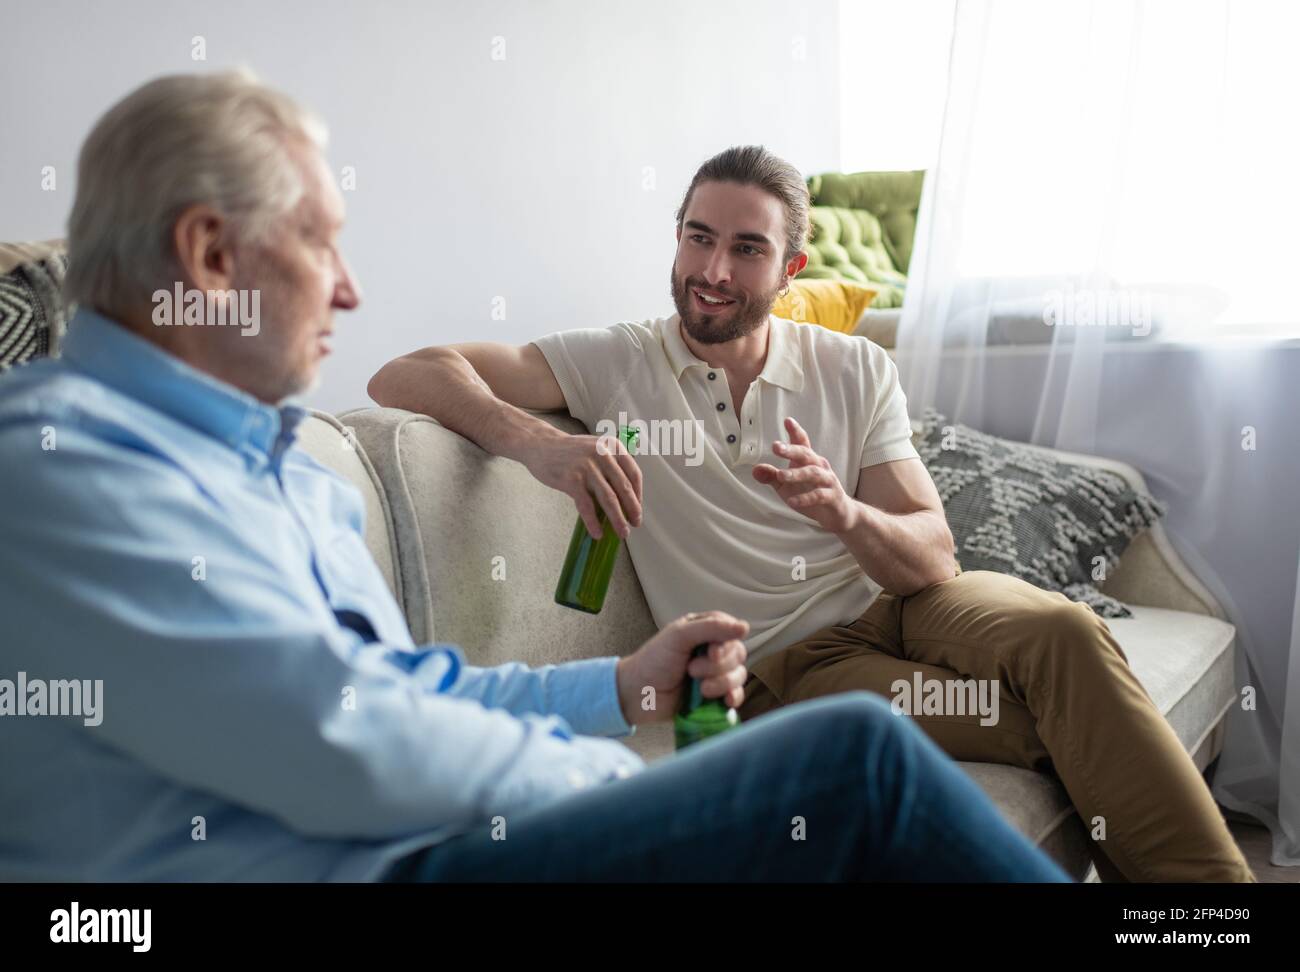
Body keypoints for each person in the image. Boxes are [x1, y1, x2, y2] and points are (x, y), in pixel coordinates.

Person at [0, 70, 1067, 883]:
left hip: (417, 845)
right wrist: (606, 776)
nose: (352, 290)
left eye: (742, 249)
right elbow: (343, 742)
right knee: (852, 762)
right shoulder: (63, 470)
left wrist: (621, 688)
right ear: (209, 258)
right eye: (322, 246)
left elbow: (405, 692)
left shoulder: (284, 476)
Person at [370, 145, 1252, 883]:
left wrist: (843, 515)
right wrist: (536, 442)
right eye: (698, 239)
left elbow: (933, 559)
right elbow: (407, 371)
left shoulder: (853, 368)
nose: (713, 272)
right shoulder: (615, 361)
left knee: (1065, 635)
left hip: (903, 605)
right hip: (789, 668)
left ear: (791, 269)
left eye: (746, 249)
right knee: (1045, 726)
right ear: (675, 242)